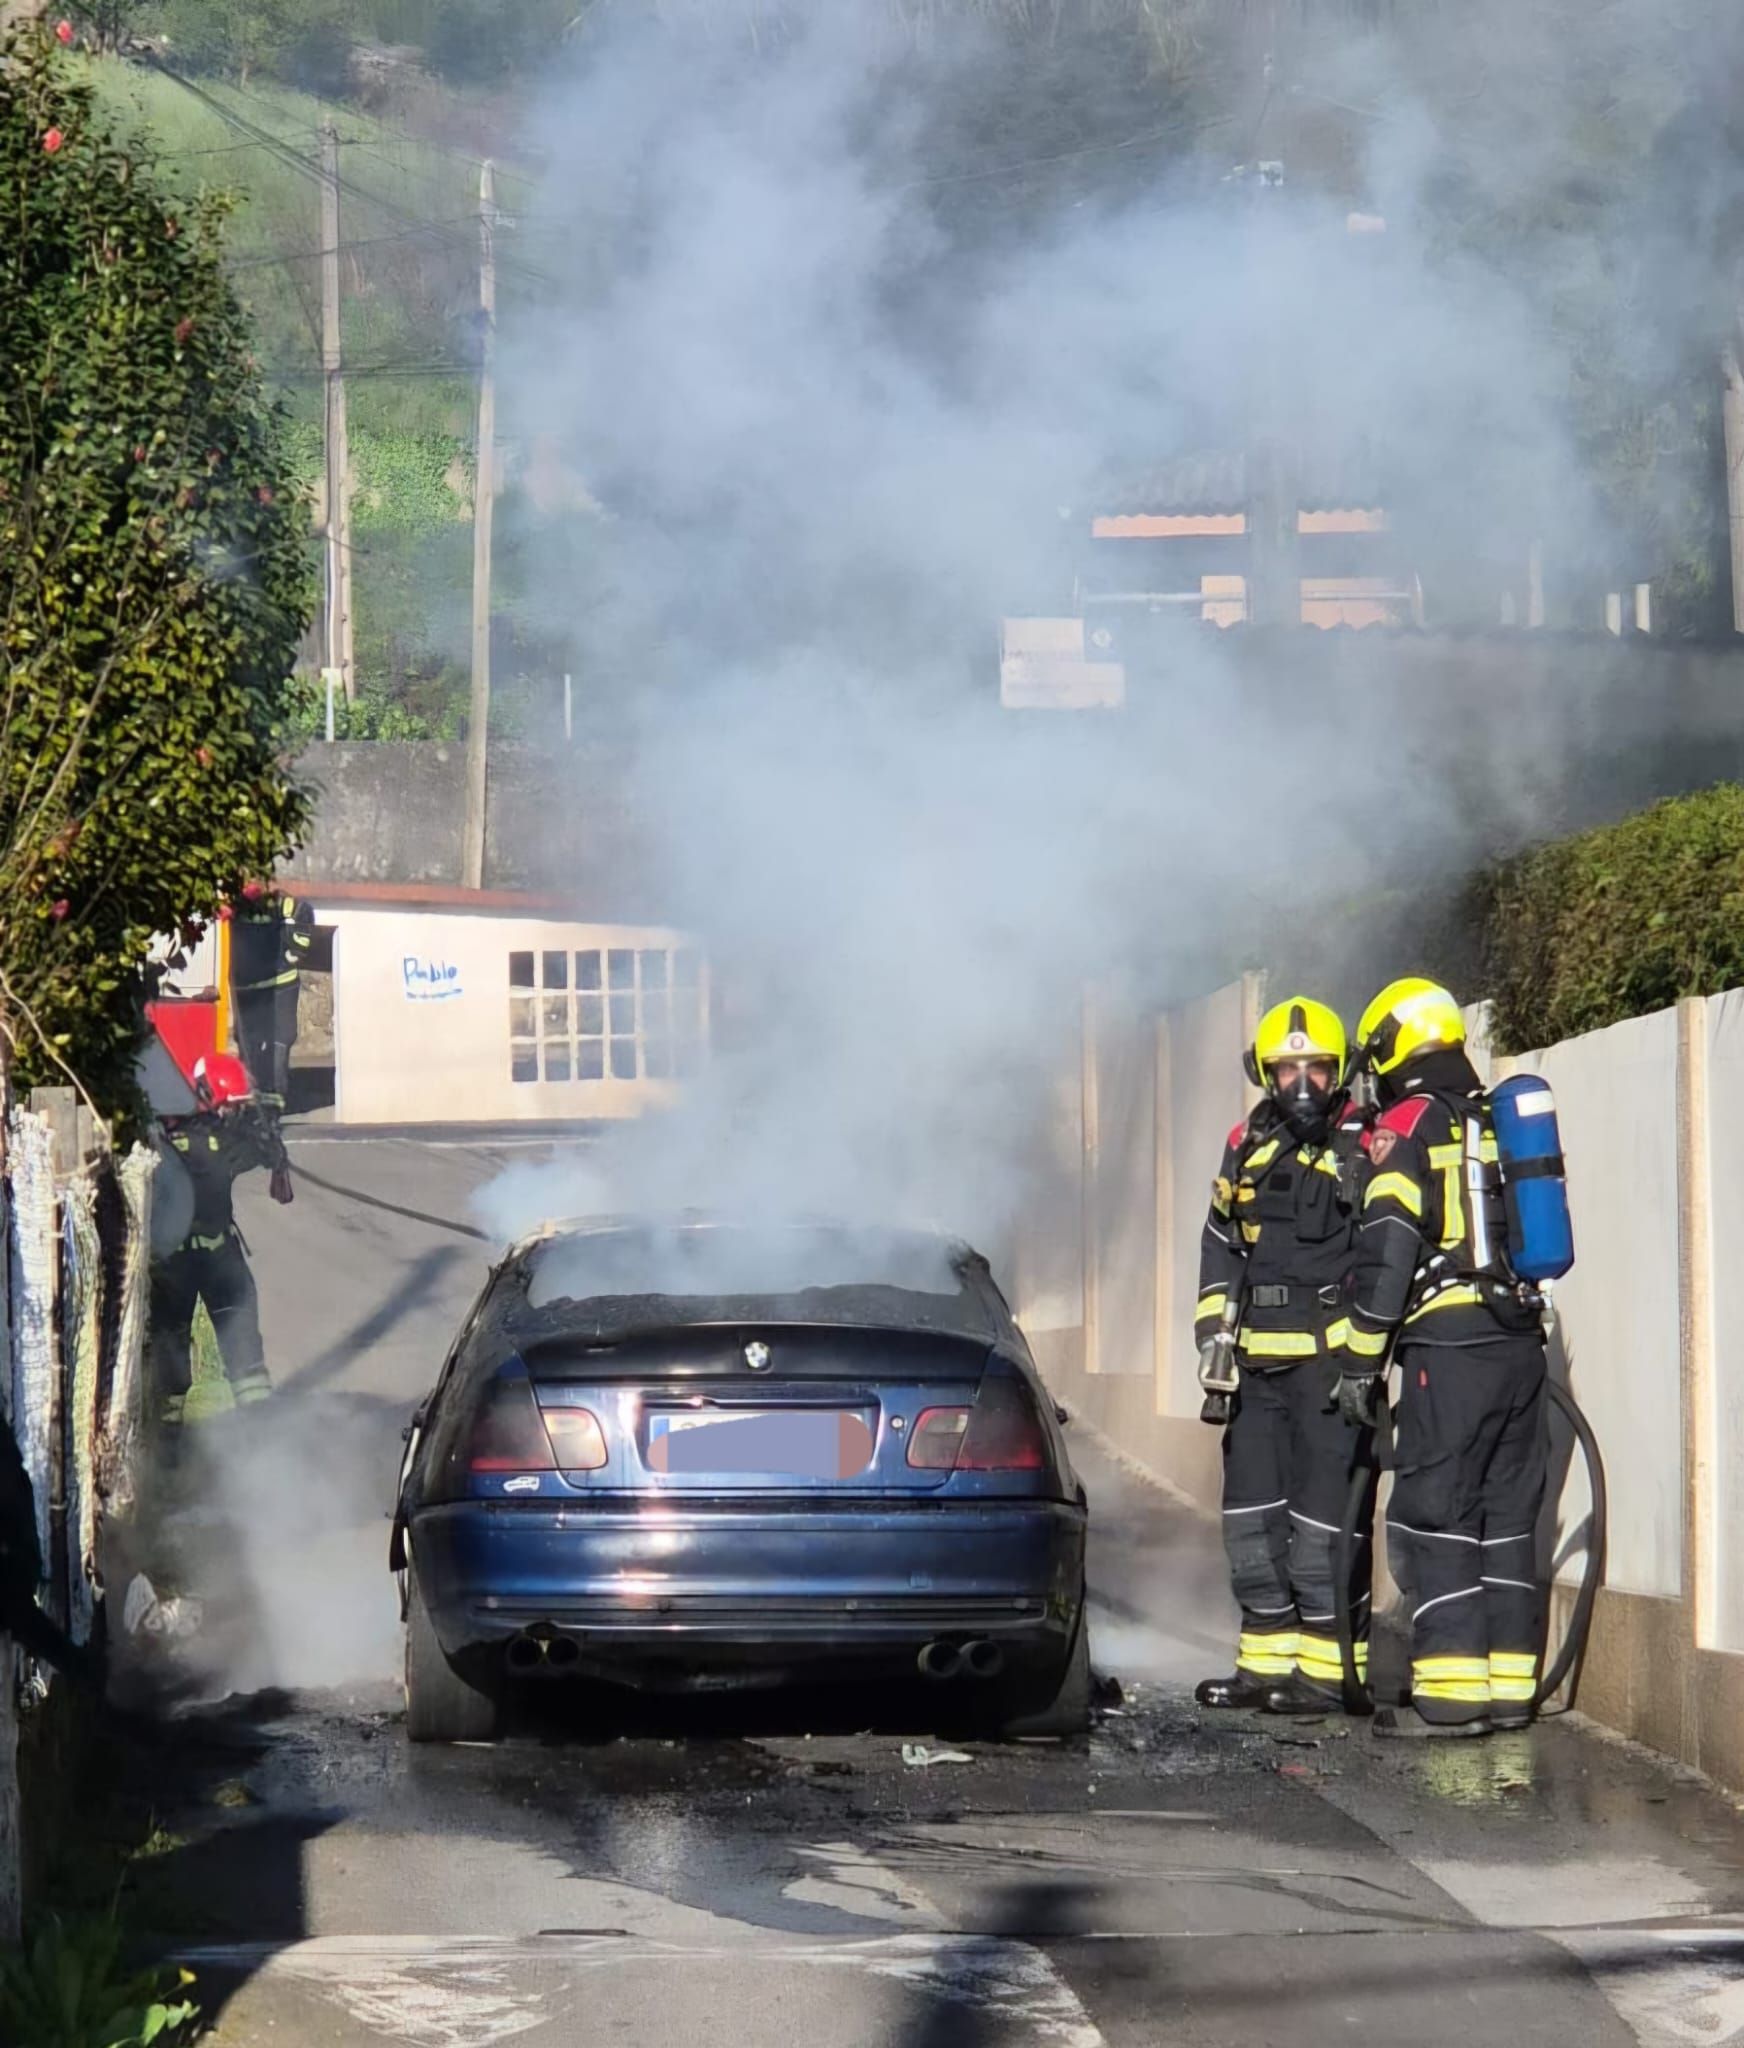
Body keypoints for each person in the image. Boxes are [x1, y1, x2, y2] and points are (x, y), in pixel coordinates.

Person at [1340, 978, 1549, 1736]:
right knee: (1508, 1518)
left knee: (1438, 1514)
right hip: (1522, 1345)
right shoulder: (1495, 1114)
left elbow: (1389, 1250)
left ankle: (1452, 1698)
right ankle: (1510, 1694)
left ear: (1395, 1046)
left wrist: (1361, 1362)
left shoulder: (1409, 1122)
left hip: (1448, 1351)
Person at [1193, 996, 1379, 1715]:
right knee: (1251, 1523)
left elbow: (1389, 1244)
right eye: (1287, 1067)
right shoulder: (1246, 1142)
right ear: (1264, 1073)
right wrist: (1213, 1335)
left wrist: (1368, 1353)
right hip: (1255, 1373)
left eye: (1317, 1067)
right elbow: (1220, 1242)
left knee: (1321, 1528)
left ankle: (1327, 1677)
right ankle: (1263, 1666)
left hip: (1332, 1372)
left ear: (1341, 1073)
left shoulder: (1368, 1143)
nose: (1302, 1081)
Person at [149, 1052, 293, 1429]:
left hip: (196, 1263)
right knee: (185, 1363)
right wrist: (269, 1142)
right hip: (190, 1264)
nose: (236, 1115)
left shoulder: (175, 1136)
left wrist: (272, 1147)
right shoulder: (210, 1140)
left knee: (226, 1359)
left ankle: (177, 1449)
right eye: (233, 1108)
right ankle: (182, 1447)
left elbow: (266, 1152)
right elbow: (263, 1151)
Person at [228, 879, 315, 1114]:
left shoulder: (278, 904)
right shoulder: (233, 907)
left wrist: (294, 951)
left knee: (278, 1039)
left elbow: (302, 912)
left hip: (277, 984)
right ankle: (255, 1102)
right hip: (250, 988)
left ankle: (272, 1100)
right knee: (250, 1043)